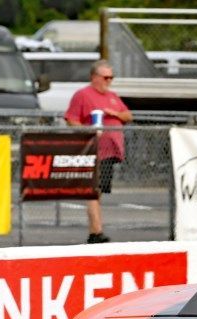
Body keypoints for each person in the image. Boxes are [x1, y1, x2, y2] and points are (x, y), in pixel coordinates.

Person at [65, 59, 132, 244]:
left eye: (111, 77)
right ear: (94, 77)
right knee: (93, 191)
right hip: (94, 150)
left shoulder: (112, 96)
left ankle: (95, 231)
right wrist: (88, 131)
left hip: (110, 152)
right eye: (105, 77)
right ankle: (96, 231)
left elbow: (128, 115)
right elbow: (71, 119)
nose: (109, 81)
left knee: (99, 191)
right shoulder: (83, 95)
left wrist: (114, 114)